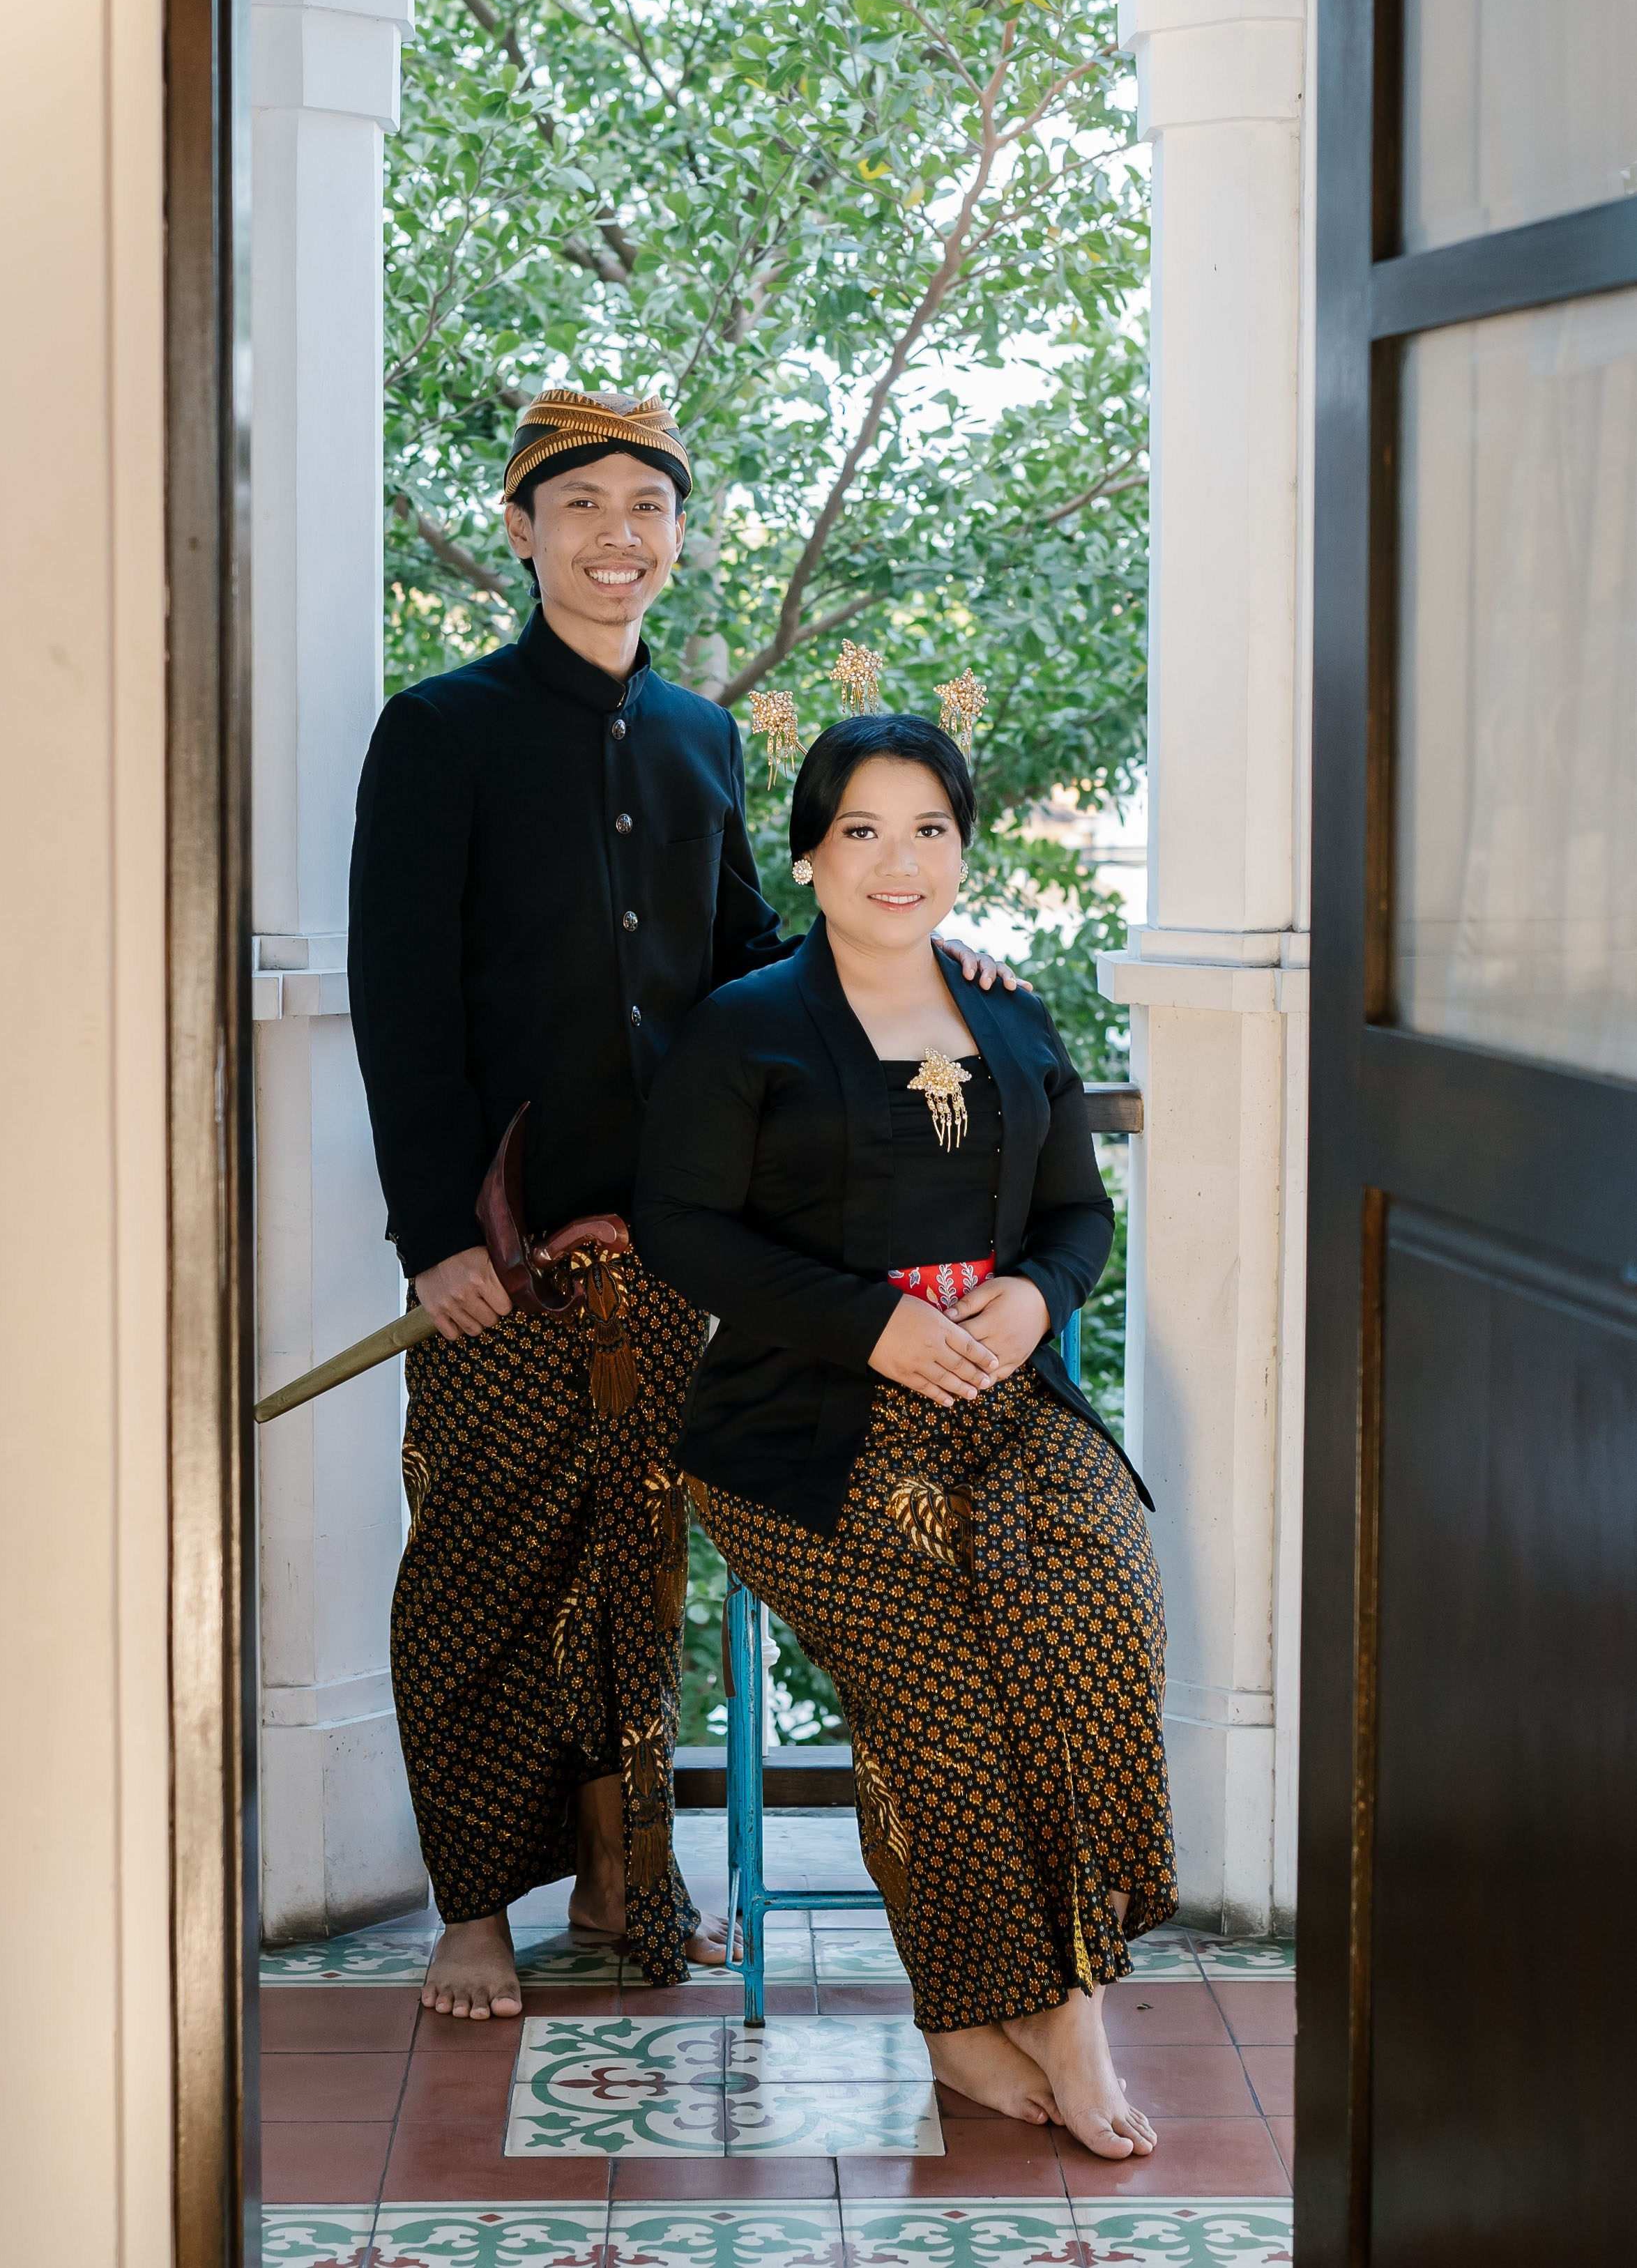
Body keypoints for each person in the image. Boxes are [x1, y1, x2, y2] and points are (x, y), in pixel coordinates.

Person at [348, 390, 1016, 2019]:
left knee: (633, 1563)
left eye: (646, 503)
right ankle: (471, 1910)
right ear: (521, 531)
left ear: (678, 534)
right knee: (480, 1569)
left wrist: (918, 956)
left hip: (668, 1244)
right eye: (580, 503)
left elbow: (743, 968)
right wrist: (437, 1234)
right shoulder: (439, 731)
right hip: (506, 1255)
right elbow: (400, 997)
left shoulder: (702, 737)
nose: (617, 533)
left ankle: (621, 1875)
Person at [634, 712, 1178, 2156]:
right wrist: (867, 1324)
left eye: (928, 828)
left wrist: (1035, 1293)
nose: (898, 859)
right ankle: (1020, 2018)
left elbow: (1077, 1213)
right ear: (810, 854)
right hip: (798, 1428)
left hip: (1007, 1405)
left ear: (962, 848)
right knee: (947, 1690)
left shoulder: (1012, 1013)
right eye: (862, 829)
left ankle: (1040, 2005)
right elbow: (678, 1226)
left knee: (1100, 1617)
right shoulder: (745, 1026)